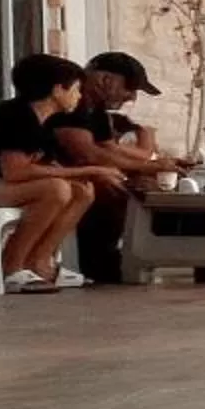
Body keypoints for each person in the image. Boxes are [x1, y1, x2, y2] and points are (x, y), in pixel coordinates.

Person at [0, 54, 125, 293]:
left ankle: (40, 262)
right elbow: (16, 171)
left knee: (83, 190)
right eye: (76, 89)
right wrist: (94, 169)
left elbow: (48, 166)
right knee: (55, 189)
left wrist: (86, 176)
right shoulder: (15, 114)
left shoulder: (43, 121)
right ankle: (11, 267)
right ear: (57, 90)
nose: (80, 96)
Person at [47, 51, 195, 285]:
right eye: (131, 89)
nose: (132, 97)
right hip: (48, 171)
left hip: (75, 172)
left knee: (137, 185)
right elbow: (86, 153)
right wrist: (146, 167)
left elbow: (110, 149)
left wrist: (155, 165)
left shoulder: (95, 110)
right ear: (106, 80)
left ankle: (161, 249)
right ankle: (99, 264)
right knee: (109, 188)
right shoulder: (72, 103)